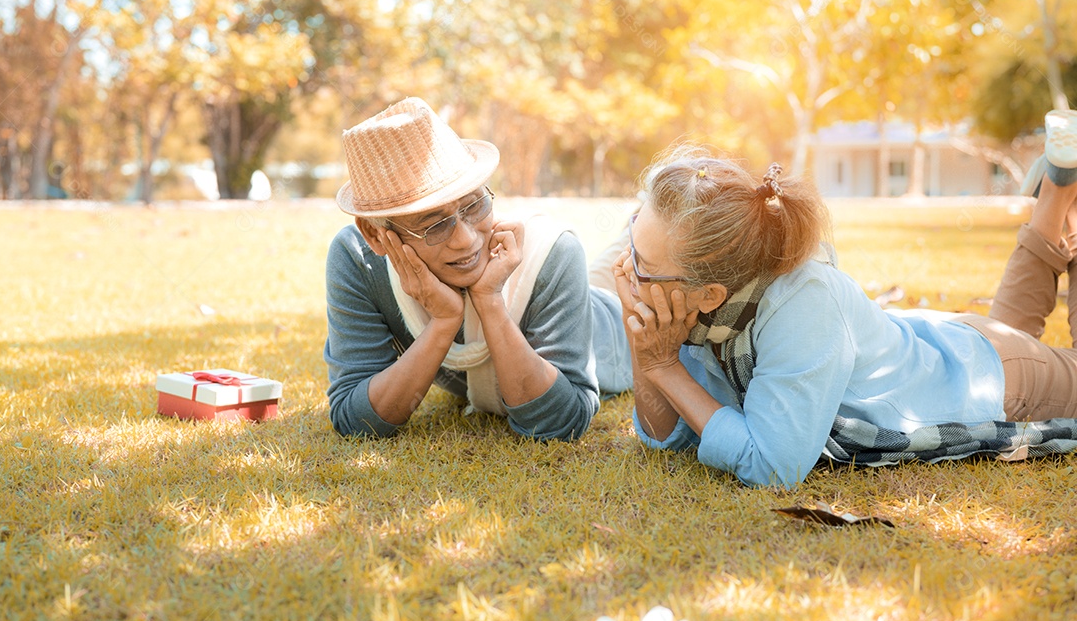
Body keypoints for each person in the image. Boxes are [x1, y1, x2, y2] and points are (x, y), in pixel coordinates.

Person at [613, 109, 1077, 487]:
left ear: (711, 292)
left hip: (993, 378)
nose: (623, 271)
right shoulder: (703, 313)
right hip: (952, 343)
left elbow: (772, 466)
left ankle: (1058, 193)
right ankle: (1058, 188)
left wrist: (663, 367)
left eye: (641, 266)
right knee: (1013, 325)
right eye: (631, 245)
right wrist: (649, 351)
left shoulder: (804, 304)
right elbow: (664, 437)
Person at [324, 97, 632, 440]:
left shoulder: (552, 253)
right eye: (433, 225)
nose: (466, 239)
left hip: (616, 317)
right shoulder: (357, 258)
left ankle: (641, 222)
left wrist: (490, 301)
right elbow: (355, 421)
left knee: (646, 240)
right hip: (585, 287)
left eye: (474, 205)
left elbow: (560, 422)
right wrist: (443, 323)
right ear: (375, 235)